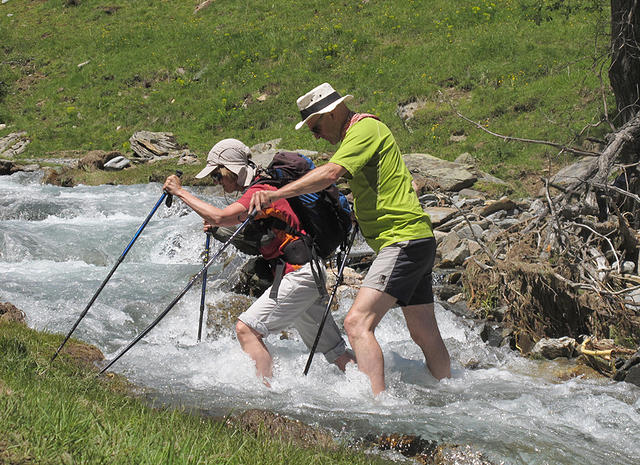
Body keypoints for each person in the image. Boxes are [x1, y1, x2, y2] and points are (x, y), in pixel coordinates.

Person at [250, 83, 451, 395]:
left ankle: (377, 406)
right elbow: (401, 181)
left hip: (402, 240)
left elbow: (330, 174)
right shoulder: (366, 132)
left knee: (356, 324)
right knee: (423, 330)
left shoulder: (363, 129)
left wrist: (275, 194)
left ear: (330, 113)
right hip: (417, 239)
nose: (315, 136)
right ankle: (450, 390)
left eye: (315, 127)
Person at [163, 138, 355, 383]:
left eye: (217, 176)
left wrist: (180, 192)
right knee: (336, 353)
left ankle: (265, 397)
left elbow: (221, 216)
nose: (217, 182)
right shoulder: (262, 189)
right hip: (304, 274)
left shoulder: (259, 192)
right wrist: (217, 230)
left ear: (231, 170)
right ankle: (377, 390)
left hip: (300, 275)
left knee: (246, 329)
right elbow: (252, 239)